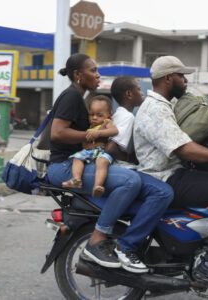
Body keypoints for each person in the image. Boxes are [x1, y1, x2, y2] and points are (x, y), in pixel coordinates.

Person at [133, 56, 208, 293]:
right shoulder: (155, 109)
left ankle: (207, 245)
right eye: (181, 76)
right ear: (168, 78)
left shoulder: (166, 105)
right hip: (165, 177)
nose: (185, 81)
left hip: (173, 172)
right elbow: (185, 149)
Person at [46, 53, 141, 269]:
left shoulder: (79, 97)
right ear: (78, 75)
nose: (98, 75)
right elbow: (58, 133)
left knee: (133, 181)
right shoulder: (71, 96)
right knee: (130, 181)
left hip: (72, 163)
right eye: (93, 71)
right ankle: (97, 240)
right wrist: (91, 136)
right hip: (64, 166)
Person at [105, 76, 174, 273]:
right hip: (124, 172)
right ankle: (127, 245)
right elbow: (111, 148)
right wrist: (132, 159)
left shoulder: (121, 115)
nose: (141, 93)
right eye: (138, 89)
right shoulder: (127, 117)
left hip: (121, 170)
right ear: (128, 94)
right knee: (163, 193)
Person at [62, 95, 119, 198]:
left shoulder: (107, 123)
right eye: (91, 114)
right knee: (77, 158)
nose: (94, 118)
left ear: (109, 114)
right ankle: (77, 179)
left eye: (99, 115)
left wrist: (99, 133)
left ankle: (98, 186)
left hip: (101, 151)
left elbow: (114, 131)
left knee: (101, 163)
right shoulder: (90, 126)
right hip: (89, 152)